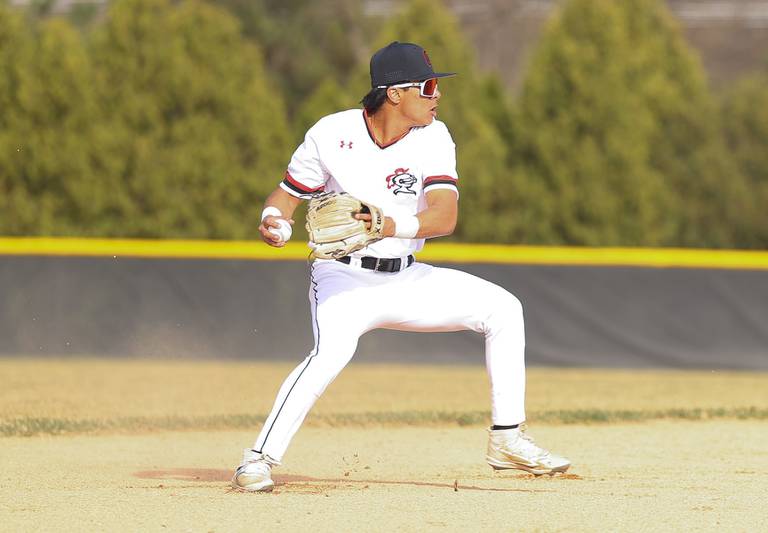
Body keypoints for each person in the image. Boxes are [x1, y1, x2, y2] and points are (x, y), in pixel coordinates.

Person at [232, 41, 570, 492]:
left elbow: (444, 216)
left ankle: (507, 438)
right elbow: (287, 195)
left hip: (407, 274)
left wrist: (388, 224)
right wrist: (272, 221)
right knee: (330, 354)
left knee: (504, 309)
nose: (437, 95)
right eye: (428, 86)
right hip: (342, 277)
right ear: (394, 94)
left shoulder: (434, 136)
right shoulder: (332, 133)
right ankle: (257, 459)